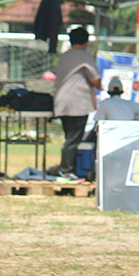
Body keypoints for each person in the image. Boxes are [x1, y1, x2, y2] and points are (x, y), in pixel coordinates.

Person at [51, 26, 101, 180]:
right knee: (73, 139)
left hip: (61, 101)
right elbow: (95, 79)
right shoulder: (84, 56)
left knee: (69, 138)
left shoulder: (64, 56)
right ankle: (66, 171)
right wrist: (98, 86)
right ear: (86, 42)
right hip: (77, 102)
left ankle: (65, 168)